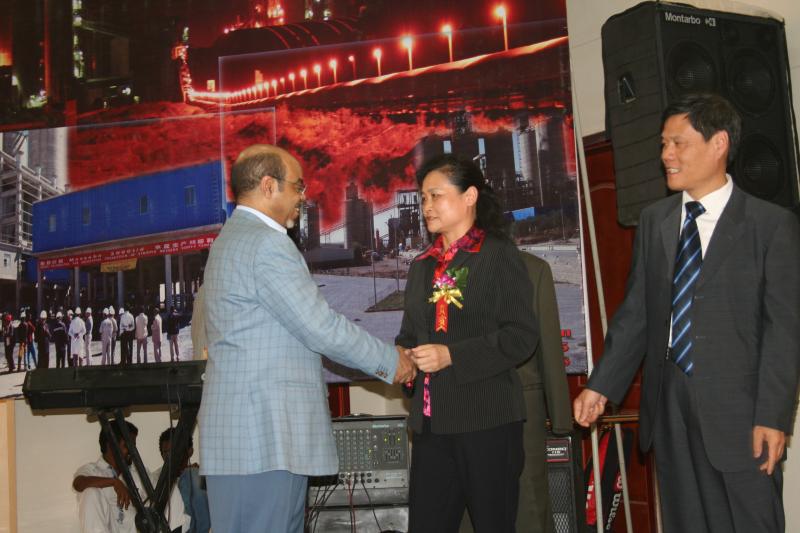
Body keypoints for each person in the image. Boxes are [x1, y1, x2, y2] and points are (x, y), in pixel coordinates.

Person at [573, 94, 800, 533]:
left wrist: (773, 416)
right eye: (663, 144)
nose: (666, 155)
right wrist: (601, 385)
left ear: (719, 144)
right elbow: (637, 313)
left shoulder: (770, 225)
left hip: (743, 413)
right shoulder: (655, 220)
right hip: (670, 406)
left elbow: (785, 332)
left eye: (678, 143)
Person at [198, 144, 414, 533]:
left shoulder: (230, 239)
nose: (303, 196)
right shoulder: (266, 244)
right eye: (298, 186)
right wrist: (390, 361)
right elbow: (320, 326)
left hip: (243, 442)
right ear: (269, 186)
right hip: (265, 441)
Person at [396, 154, 538, 533]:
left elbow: (521, 335)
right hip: (430, 426)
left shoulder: (498, 254)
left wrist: (452, 356)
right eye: (423, 198)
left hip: (486, 420)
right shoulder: (421, 266)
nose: (426, 206)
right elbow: (409, 336)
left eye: (436, 195)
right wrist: (403, 360)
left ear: (470, 196)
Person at [516, 251, 572, 532]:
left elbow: (549, 345)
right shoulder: (440, 269)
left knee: (530, 508)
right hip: (462, 417)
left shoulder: (532, 269)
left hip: (524, 412)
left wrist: (561, 417)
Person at [73, 420, 140, 533]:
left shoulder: (138, 474)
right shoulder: (92, 470)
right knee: (90, 492)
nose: (132, 451)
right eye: (127, 446)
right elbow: (78, 484)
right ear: (112, 445)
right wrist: (114, 482)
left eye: (134, 446)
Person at [159, 428, 210, 533]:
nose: (170, 457)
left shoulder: (195, 475)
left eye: (174, 451)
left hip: (194, 529)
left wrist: (192, 474)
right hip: (165, 528)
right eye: (166, 452)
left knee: (193, 475)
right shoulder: (155, 478)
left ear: (189, 451)